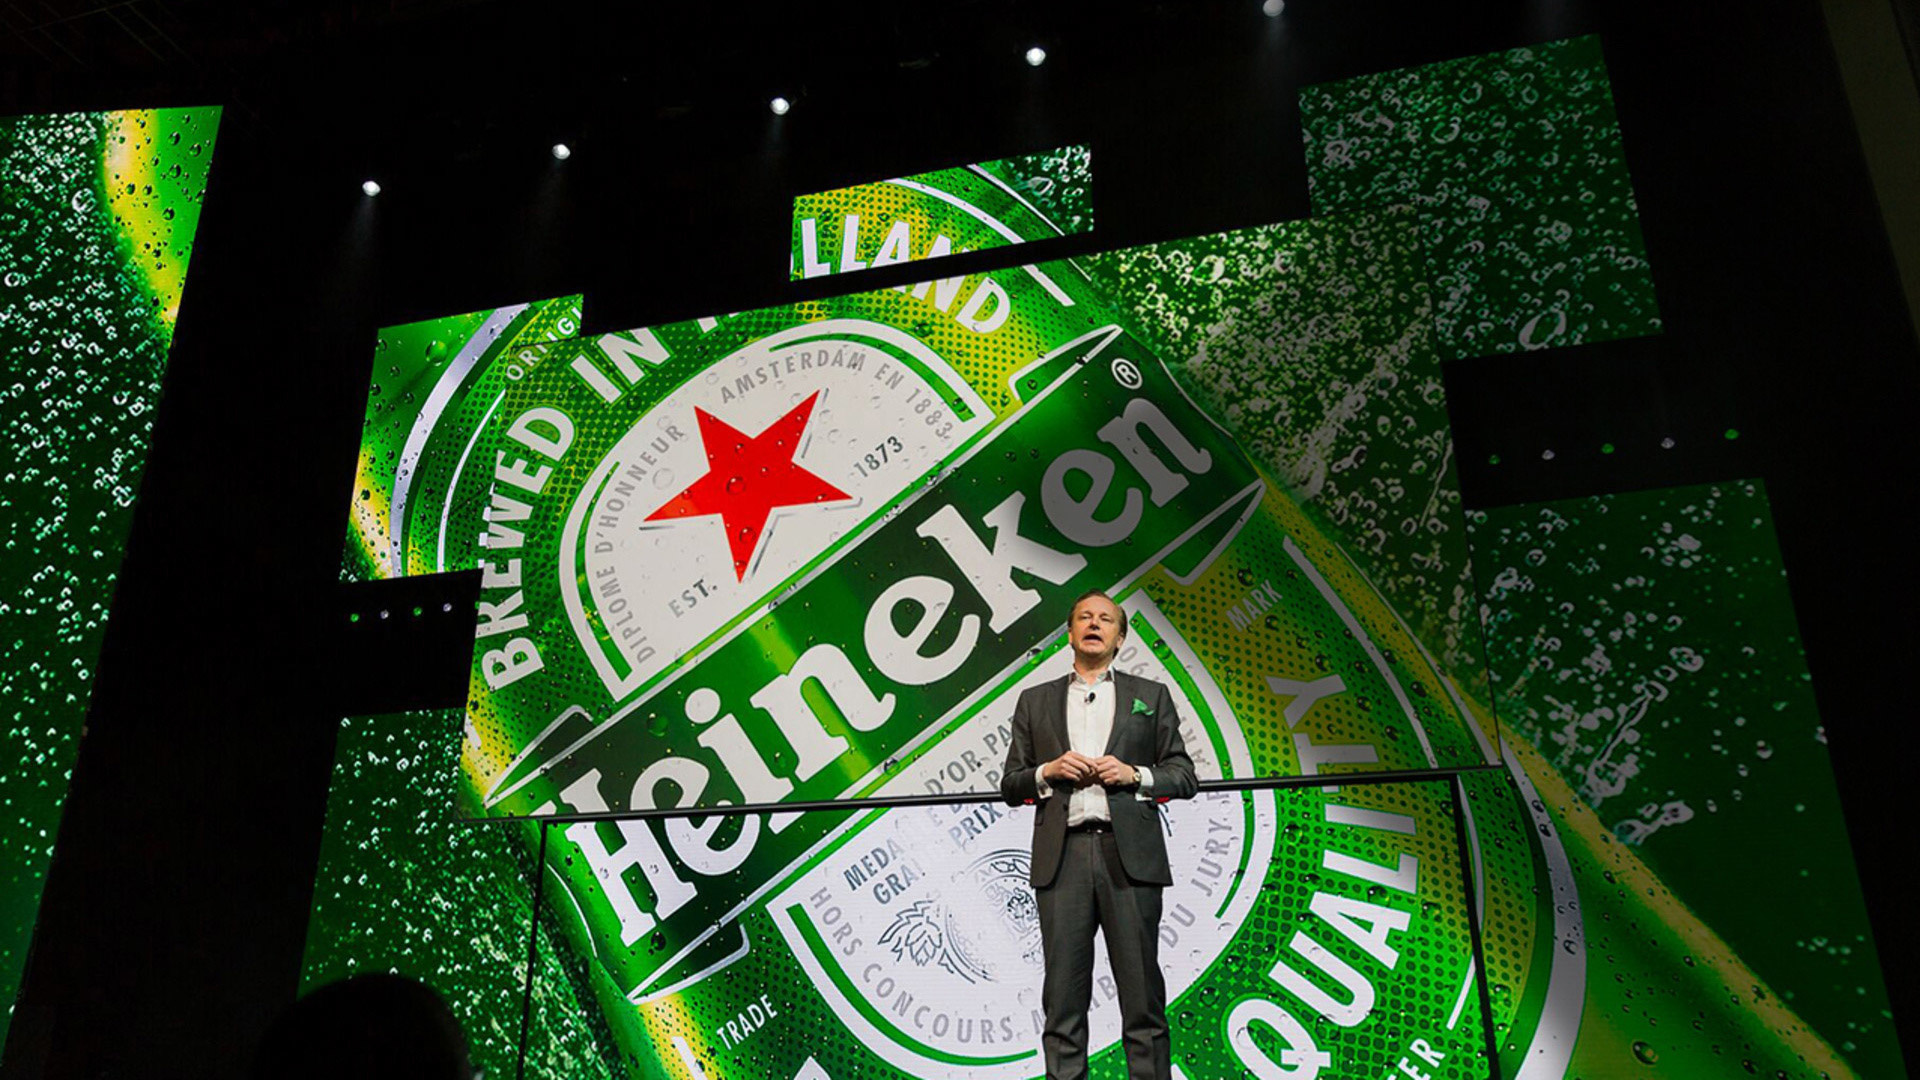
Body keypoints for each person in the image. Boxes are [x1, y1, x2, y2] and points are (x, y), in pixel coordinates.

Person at [1000, 589, 1197, 1080]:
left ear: (1120, 636)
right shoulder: (1035, 701)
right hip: (1062, 859)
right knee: (1062, 1002)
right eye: (1084, 617)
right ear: (1069, 634)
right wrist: (1048, 770)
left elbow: (1183, 774)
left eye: (1106, 619)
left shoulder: (1150, 697)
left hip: (1128, 857)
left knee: (1142, 999)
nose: (1094, 624)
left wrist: (1135, 775)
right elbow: (1011, 784)